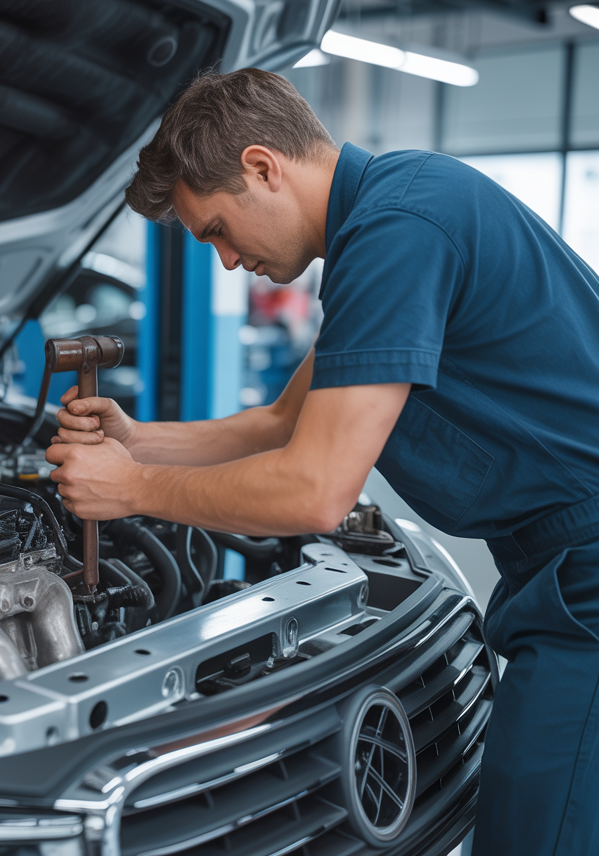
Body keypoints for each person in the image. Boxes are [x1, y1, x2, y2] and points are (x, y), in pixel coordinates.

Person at [45, 67, 599, 856]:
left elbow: (315, 494)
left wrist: (134, 490)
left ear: (263, 168)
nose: (228, 262)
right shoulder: (404, 203)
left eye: (217, 232)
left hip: (588, 576)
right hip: (560, 566)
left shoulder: (398, 231)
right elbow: (282, 422)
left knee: (536, 834)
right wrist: (137, 440)